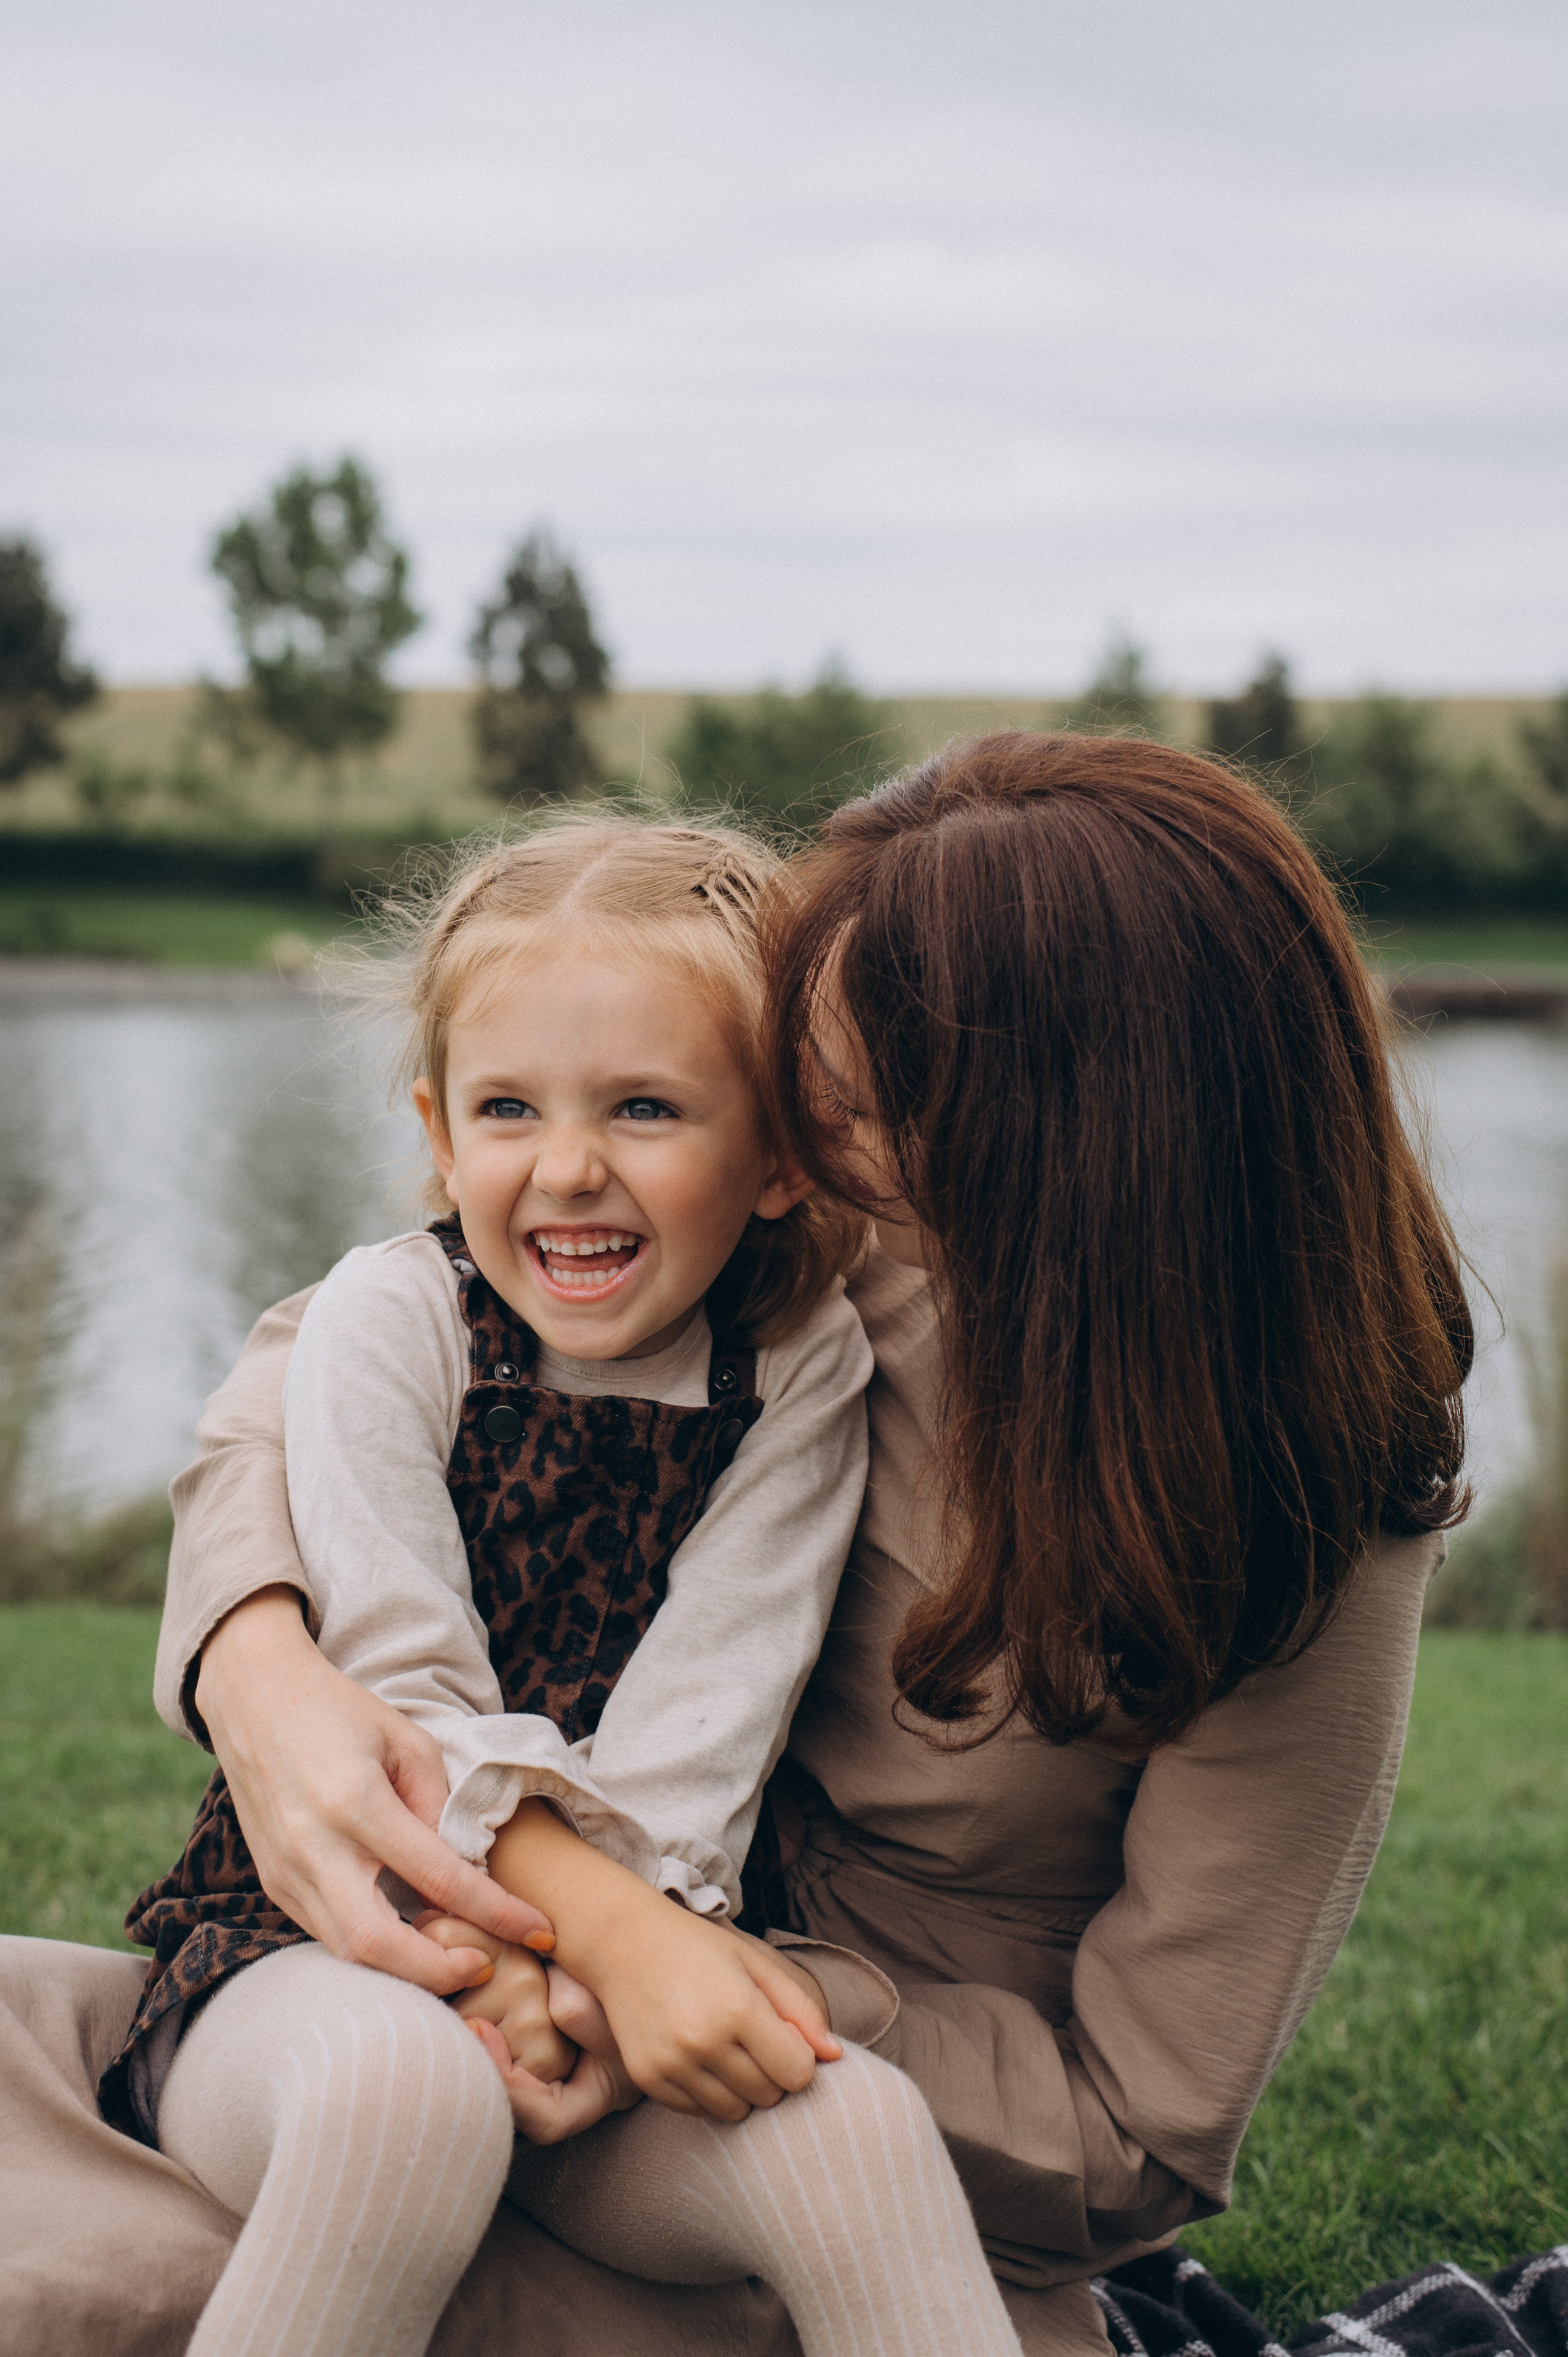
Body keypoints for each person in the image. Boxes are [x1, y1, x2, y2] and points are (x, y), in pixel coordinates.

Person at [0, 734, 1471, 2357]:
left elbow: (1133, 2131)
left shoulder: (1289, 1503)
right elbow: (333, 1357)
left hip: (802, 2095)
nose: (820, 1148)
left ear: (1074, 1151)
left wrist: (729, 1991)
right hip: (453, 1961)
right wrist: (260, 1663)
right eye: (810, 1096)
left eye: (852, 1107)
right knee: (276, 2172)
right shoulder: (862, 1254)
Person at [89, 815, 1039, 2357]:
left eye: (647, 1107)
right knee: (406, 2095)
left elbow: (709, 1719)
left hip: (631, 1955)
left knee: (854, 2130)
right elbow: (403, 1682)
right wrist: (553, 1947)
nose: (569, 1168)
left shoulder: (799, 1372)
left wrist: (611, 1963)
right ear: (439, 1132)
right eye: (509, 1108)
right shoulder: (389, 1324)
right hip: (318, 1946)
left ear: (782, 1156)